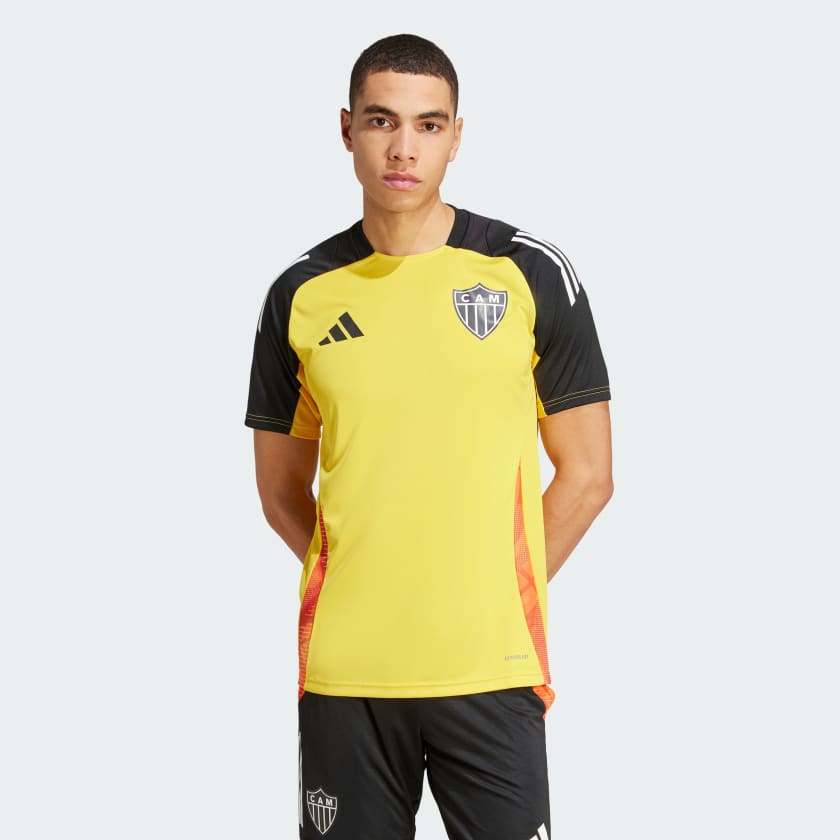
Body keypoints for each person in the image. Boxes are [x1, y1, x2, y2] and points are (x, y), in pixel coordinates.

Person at [244, 33, 613, 840]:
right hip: (348, 674)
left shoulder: (528, 272)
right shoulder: (299, 293)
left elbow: (589, 477)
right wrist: (363, 576)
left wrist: (490, 590)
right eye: (382, 121)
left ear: (456, 136)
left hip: (492, 668)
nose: (404, 149)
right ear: (347, 129)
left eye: (429, 125)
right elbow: (278, 490)